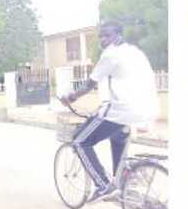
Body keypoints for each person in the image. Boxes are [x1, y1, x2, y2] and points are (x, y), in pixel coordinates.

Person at [59, 21, 158, 199]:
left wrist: (70, 98)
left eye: (107, 35)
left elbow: (90, 84)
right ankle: (122, 183)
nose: (103, 40)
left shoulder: (111, 54)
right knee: (117, 137)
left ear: (118, 35)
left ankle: (104, 185)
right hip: (144, 109)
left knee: (79, 141)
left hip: (121, 110)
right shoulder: (135, 52)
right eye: (101, 36)